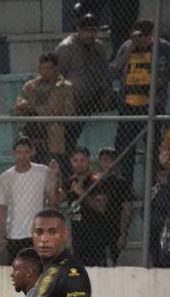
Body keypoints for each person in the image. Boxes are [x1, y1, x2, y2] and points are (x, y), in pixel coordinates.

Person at [111, 19, 170, 187]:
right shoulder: (127, 46)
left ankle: (153, 187)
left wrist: (156, 84)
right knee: (124, 147)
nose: (142, 40)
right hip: (129, 106)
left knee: (153, 149)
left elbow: (166, 73)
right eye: (139, 36)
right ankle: (126, 187)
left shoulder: (162, 47)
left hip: (152, 105)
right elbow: (115, 69)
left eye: (145, 36)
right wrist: (131, 46)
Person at [0, 138, 61, 264]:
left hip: (38, 231)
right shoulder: (6, 177)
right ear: (14, 153)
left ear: (32, 153)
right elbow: (1, 207)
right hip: (14, 232)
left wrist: (54, 176)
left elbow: (53, 199)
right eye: (19, 152)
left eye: (26, 152)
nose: (23, 156)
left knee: (38, 267)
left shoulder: (43, 172)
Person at [54, 14, 111, 152]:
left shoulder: (99, 47)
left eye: (93, 30)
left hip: (92, 97)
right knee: (68, 138)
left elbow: (104, 72)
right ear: (78, 30)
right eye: (86, 30)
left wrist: (105, 93)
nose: (90, 34)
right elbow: (56, 76)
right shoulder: (66, 47)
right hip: (71, 101)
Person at [13, 52, 75, 166]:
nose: (46, 72)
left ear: (56, 68)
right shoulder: (30, 86)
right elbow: (18, 105)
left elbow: (70, 110)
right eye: (43, 68)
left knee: (52, 165)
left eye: (49, 68)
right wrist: (23, 106)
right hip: (33, 130)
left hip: (53, 131)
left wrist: (57, 112)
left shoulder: (65, 86)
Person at [96, 147, 134, 262]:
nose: (107, 163)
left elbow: (127, 209)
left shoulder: (121, 184)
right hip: (94, 228)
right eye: (104, 160)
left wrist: (123, 233)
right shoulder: (93, 182)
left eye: (110, 160)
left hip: (113, 227)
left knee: (112, 261)